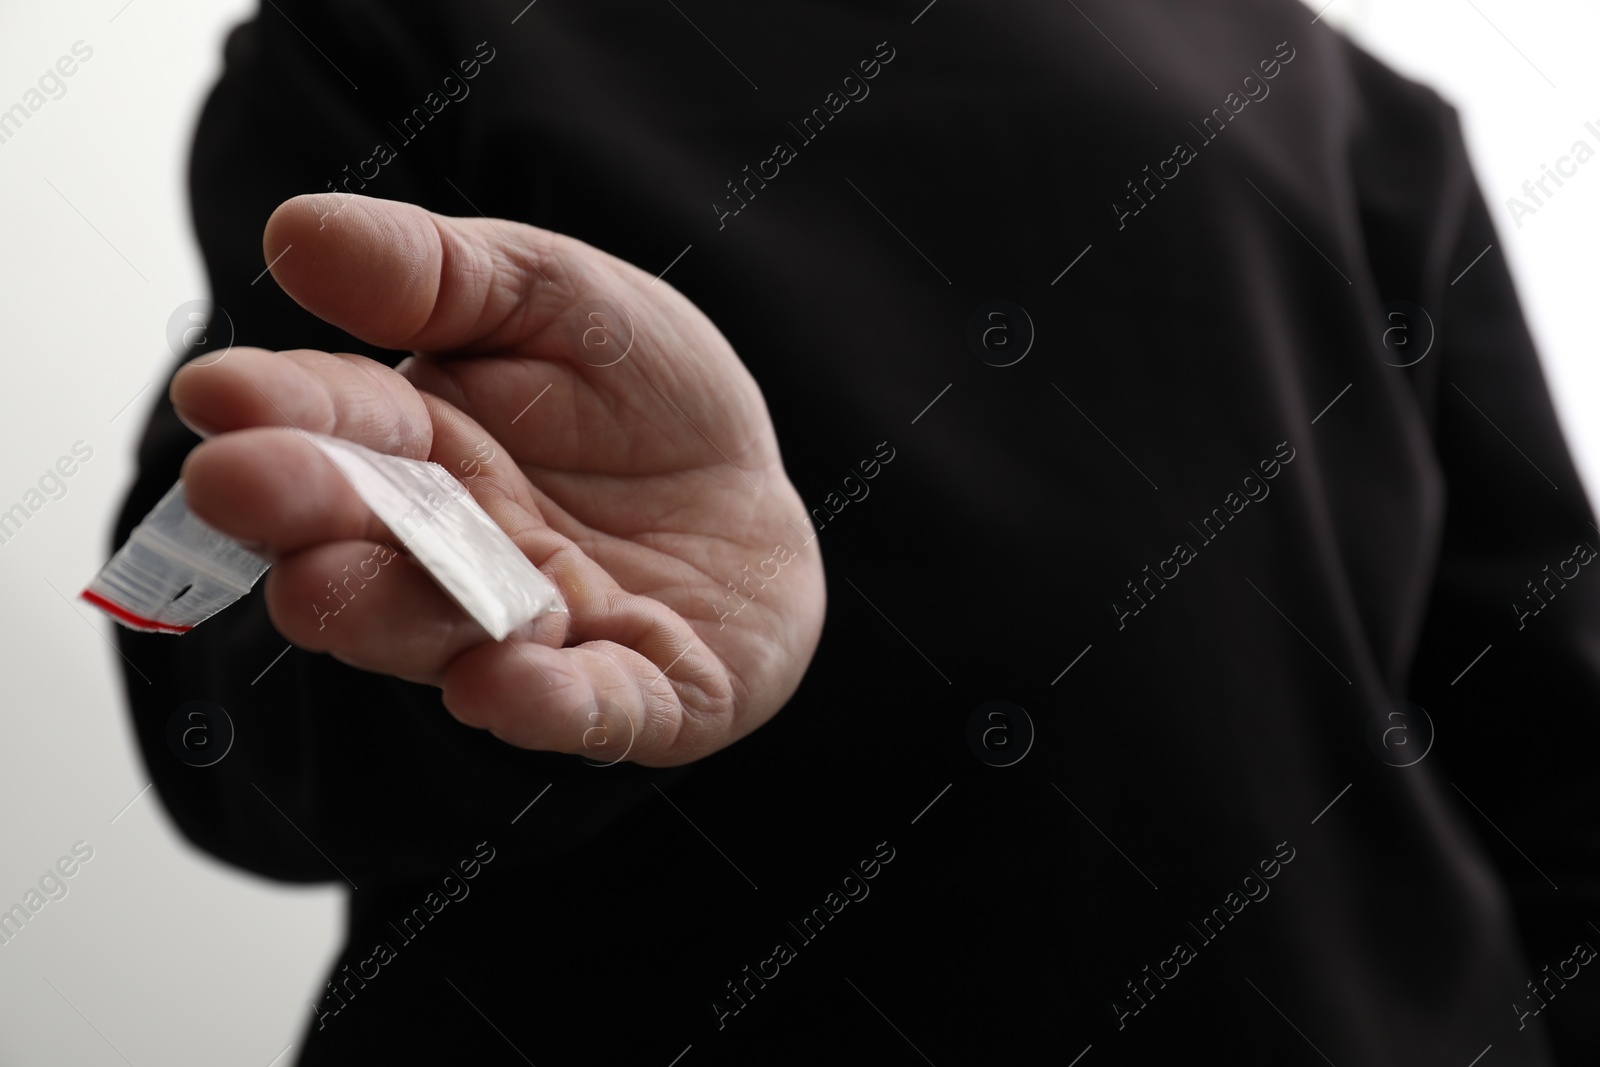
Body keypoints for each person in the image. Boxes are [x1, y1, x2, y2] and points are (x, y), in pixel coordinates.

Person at [111, 0, 1600, 1061]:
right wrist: (500, 622)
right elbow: (204, 662)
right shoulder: (396, 31)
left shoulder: (1342, 98)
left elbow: (1550, 719)